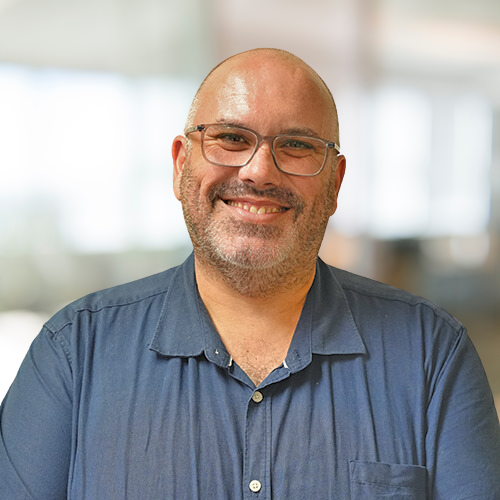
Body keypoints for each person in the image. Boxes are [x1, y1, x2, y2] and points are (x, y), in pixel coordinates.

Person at [1, 48, 499, 500]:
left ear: (335, 181)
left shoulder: (433, 355)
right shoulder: (73, 354)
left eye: (297, 145)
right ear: (180, 166)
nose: (259, 171)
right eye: (231, 138)